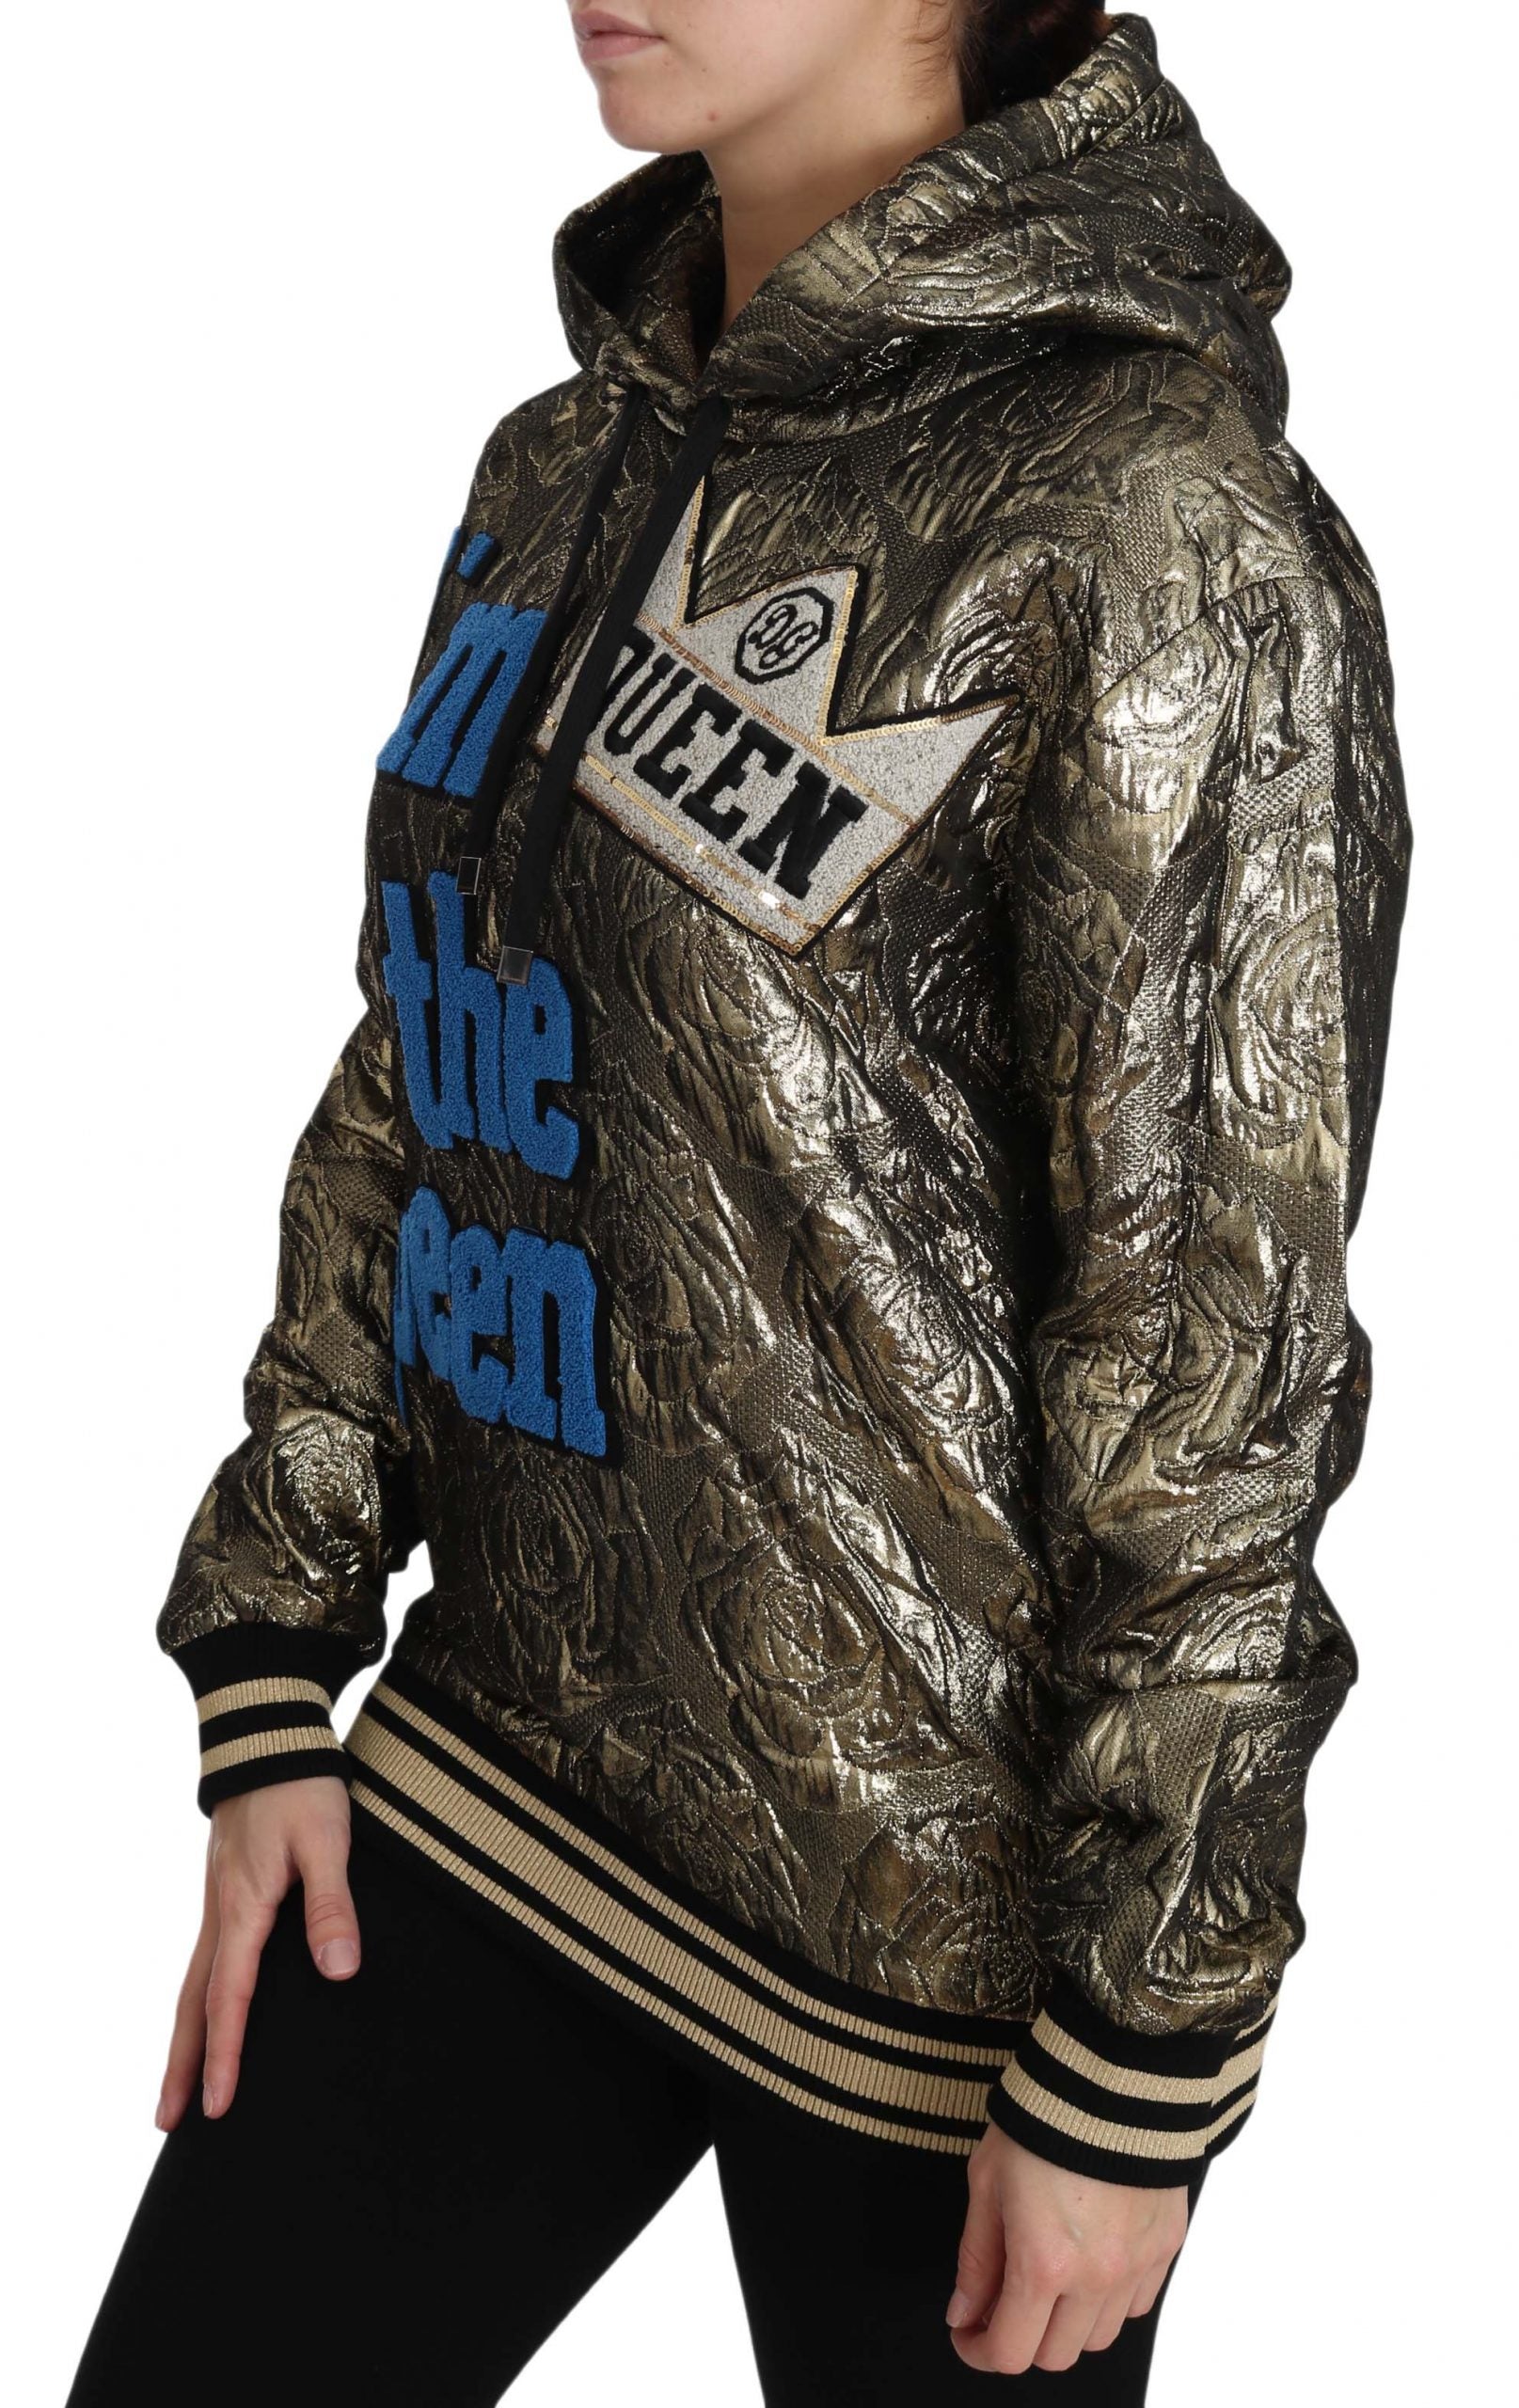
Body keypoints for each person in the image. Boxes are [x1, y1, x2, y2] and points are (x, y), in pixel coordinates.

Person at [66, 4, 1412, 2401]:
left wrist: (1142, 2033)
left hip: (944, 1962)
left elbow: (1216, 1335)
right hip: (496, 1775)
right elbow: (426, 1055)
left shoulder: (1153, 518)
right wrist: (273, 1649)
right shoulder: (568, 455)